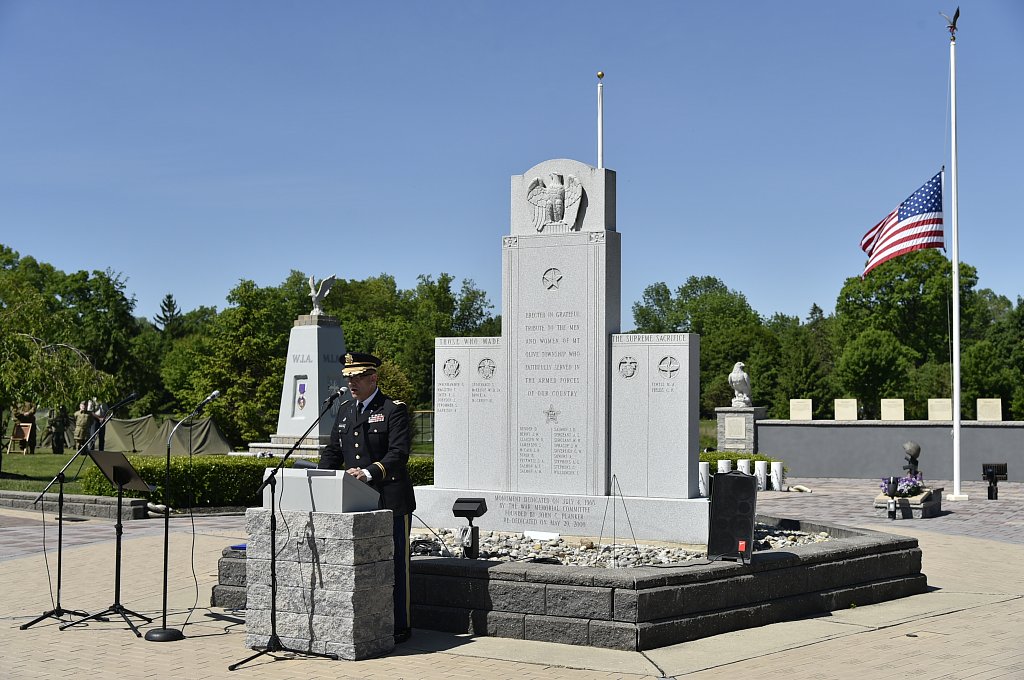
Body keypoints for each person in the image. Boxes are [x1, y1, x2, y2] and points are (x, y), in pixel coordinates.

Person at [318, 352, 415, 644]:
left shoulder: (393, 409)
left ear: (373, 377)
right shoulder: (345, 410)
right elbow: (334, 451)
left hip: (389, 499)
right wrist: (322, 478)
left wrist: (370, 472)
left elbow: (398, 454)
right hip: (355, 502)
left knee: (396, 564)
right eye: (348, 378)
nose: (351, 383)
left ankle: (401, 625)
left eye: (357, 377)